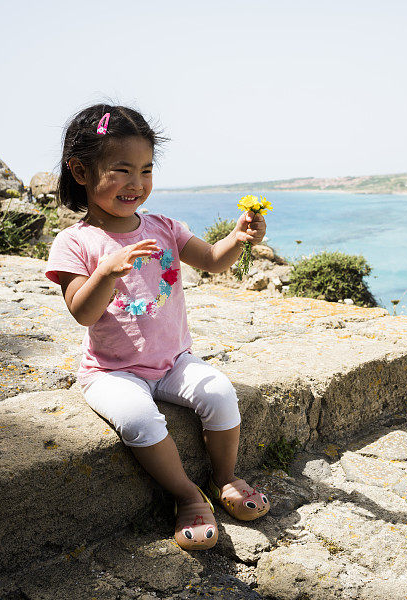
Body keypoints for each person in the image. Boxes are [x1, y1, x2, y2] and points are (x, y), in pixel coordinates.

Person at [45, 104, 270, 551]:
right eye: (121, 170)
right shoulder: (76, 241)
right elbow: (83, 313)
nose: (136, 183)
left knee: (221, 391)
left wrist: (239, 238)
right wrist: (106, 273)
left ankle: (225, 477)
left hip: (173, 361)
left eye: (146, 170)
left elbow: (211, 261)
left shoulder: (163, 227)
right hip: (112, 371)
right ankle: (187, 494)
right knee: (138, 419)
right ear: (81, 171)